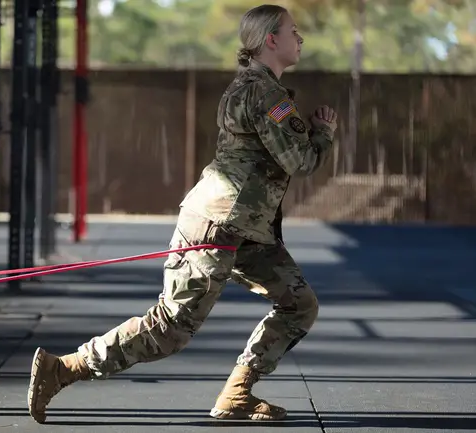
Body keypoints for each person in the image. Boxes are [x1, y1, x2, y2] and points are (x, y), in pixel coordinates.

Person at [27, 4, 337, 423]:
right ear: (271, 40)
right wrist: (323, 133)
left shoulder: (255, 88)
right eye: (293, 31)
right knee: (171, 327)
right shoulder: (265, 94)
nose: (300, 38)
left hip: (246, 229)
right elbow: (300, 161)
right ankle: (63, 369)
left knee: (299, 304)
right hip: (219, 224)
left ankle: (237, 393)